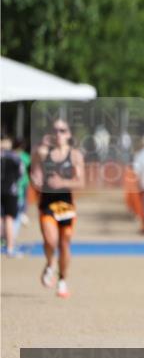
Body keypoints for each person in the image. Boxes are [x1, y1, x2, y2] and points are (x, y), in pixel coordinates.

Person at [31, 118, 85, 298]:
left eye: (62, 130)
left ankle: (62, 281)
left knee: (64, 243)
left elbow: (81, 182)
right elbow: (35, 172)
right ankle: (49, 264)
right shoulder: (42, 152)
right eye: (55, 130)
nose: (58, 134)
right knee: (50, 240)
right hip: (47, 203)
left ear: (68, 134)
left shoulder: (75, 155)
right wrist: (36, 180)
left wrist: (63, 182)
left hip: (65, 205)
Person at [1, 136, 25, 257]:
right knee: (9, 219)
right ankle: (10, 247)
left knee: (1, 219)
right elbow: (21, 174)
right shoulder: (15, 157)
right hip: (11, 191)